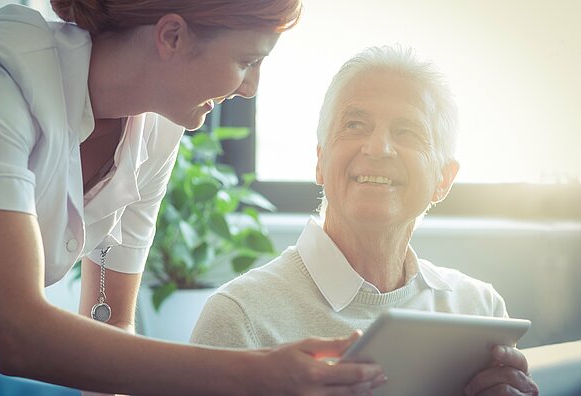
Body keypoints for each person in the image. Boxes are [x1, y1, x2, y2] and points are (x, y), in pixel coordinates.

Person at [0, 1, 388, 395]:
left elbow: (109, 318)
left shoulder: (157, 127)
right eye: (246, 60)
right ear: (171, 35)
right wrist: (258, 375)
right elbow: (16, 332)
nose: (251, 88)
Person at [191, 45, 540, 395]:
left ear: (443, 180)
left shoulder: (479, 309)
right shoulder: (240, 317)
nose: (378, 148)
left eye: (407, 132)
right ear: (320, 162)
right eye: (355, 125)